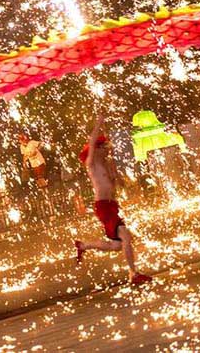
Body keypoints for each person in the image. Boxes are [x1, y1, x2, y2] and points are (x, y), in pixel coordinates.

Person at [74, 114, 152, 285]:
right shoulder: (92, 164)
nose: (108, 150)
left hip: (111, 206)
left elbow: (116, 184)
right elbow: (92, 141)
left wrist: (116, 177)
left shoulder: (106, 165)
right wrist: (99, 122)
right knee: (126, 237)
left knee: (116, 245)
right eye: (105, 147)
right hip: (103, 207)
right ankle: (134, 274)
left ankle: (84, 245)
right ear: (97, 149)